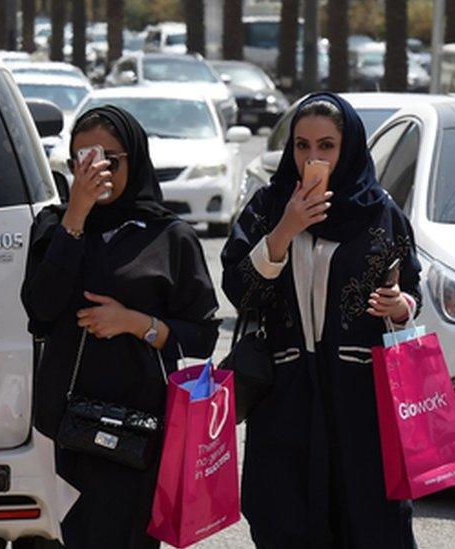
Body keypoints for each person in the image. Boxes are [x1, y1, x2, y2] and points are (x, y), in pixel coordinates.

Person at [221, 92, 421, 548]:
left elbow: (412, 290)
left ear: (348, 148)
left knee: (371, 523)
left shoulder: (380, 213)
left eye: (326, 146)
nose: (313, 157)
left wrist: (399, 306)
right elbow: (240, 291)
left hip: (362, 401)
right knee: (283, 521)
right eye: (302, 146)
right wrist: (285, 231)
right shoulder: (268, 208)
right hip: (285, 396)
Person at [21, 105, 220, 548]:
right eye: (84, 158)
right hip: (69, 427)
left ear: (135, 157)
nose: (98, 169)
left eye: (111, 159)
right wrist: (75, 216)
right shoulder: (54, 228)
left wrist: (136, 323)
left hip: (142, 431)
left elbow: (203, 336)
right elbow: (40, 310)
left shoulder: (171, 236)